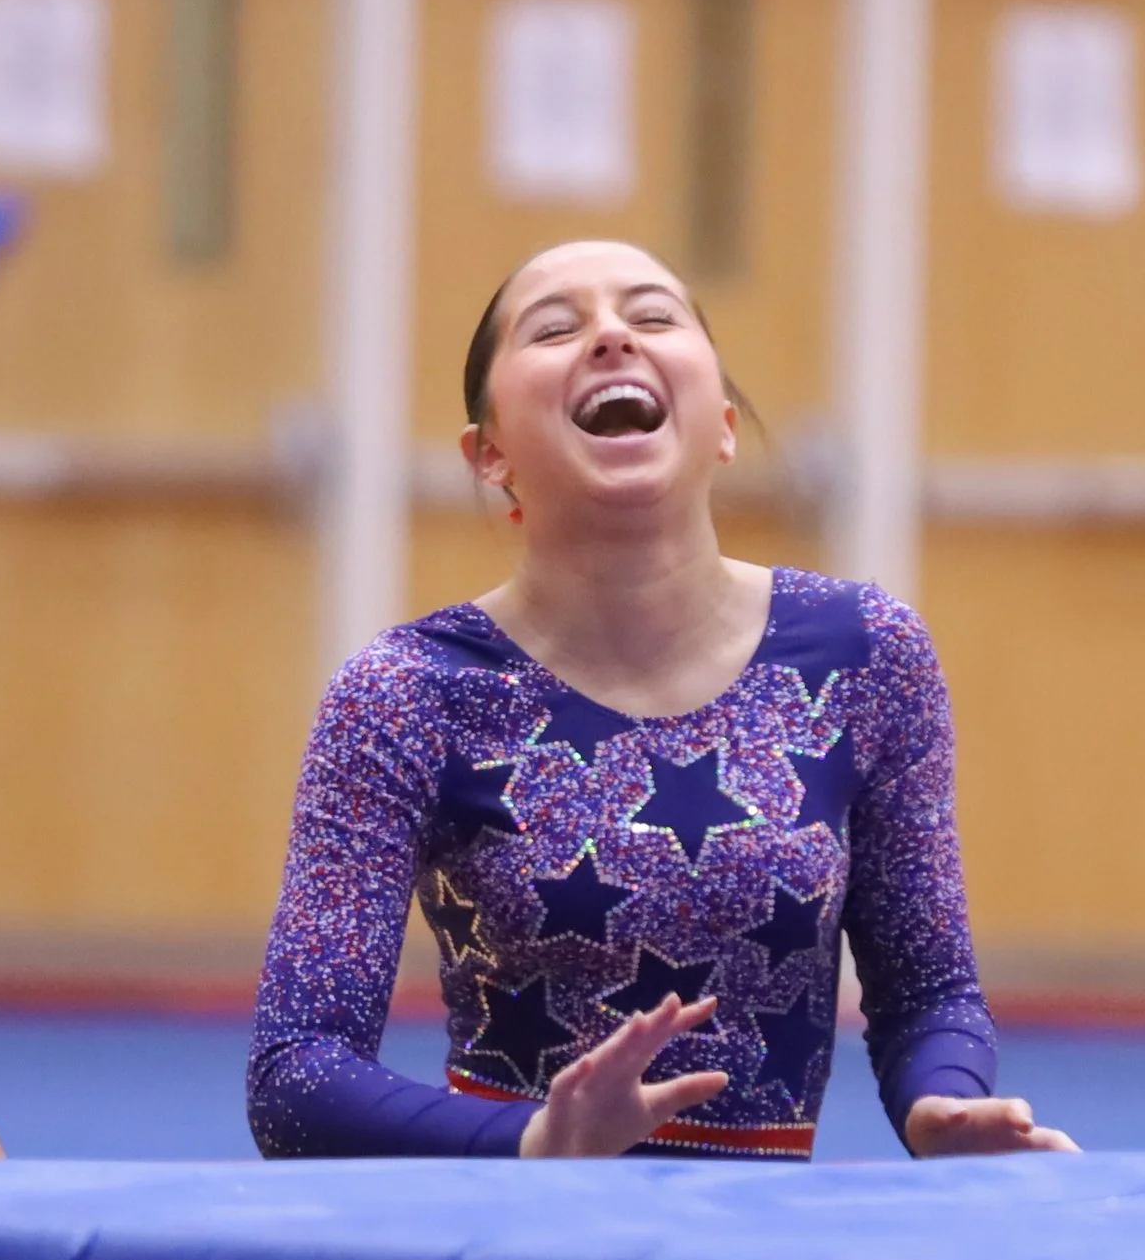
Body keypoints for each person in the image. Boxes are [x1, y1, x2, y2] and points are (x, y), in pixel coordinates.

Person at [248, 240, 1076, 1164]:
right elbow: (297, 1072)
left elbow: (930, 992)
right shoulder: (409, 692)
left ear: (722, 425)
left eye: (652, 316)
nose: (612, 337)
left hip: (760, 1236)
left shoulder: (866, 653)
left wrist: (943, 1102)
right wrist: (537, 1138)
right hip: (518, 1228)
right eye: (553, 329)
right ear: (489, 455)